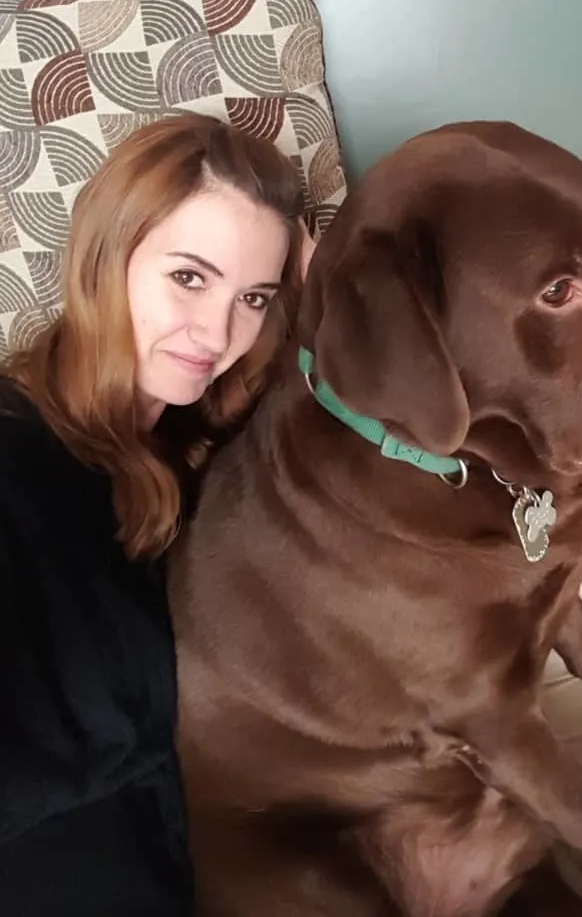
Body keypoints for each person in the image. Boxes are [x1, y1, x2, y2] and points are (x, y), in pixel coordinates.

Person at [0, 113, 310, 915]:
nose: (217, 333)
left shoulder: (205, 454)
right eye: (189, 277)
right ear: (107, 256)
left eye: (254, 297)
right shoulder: (13, 452)